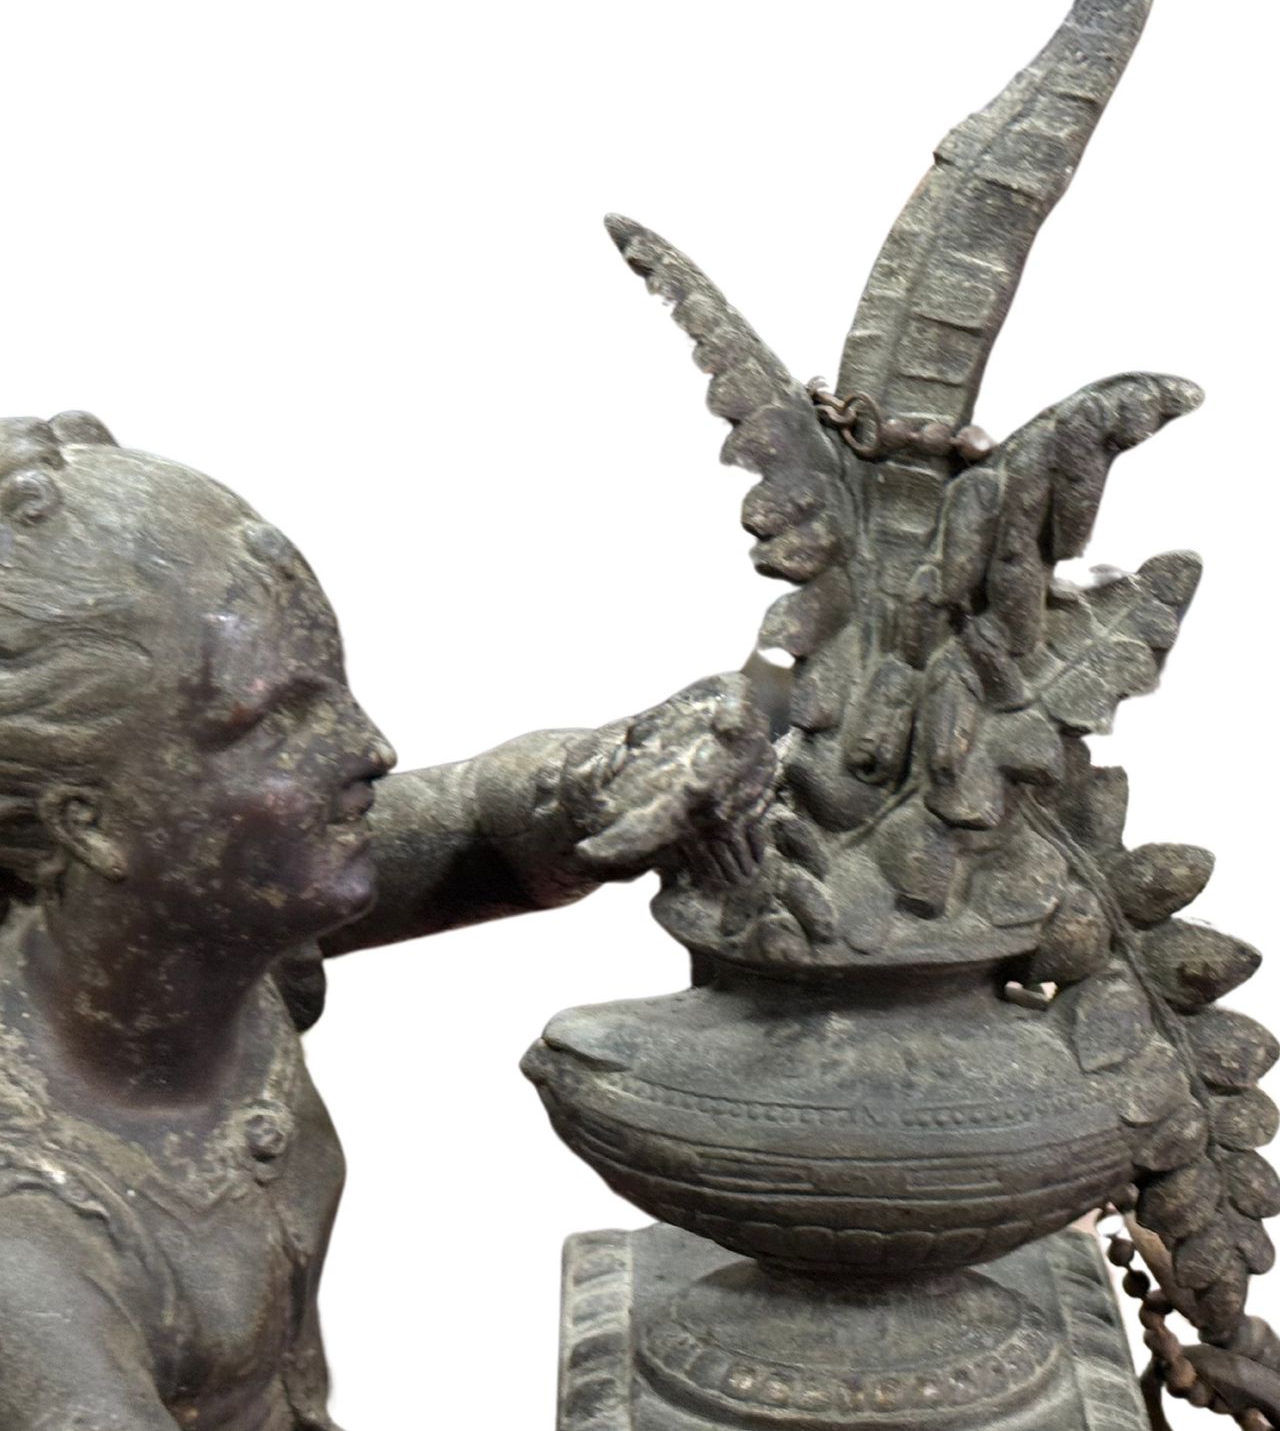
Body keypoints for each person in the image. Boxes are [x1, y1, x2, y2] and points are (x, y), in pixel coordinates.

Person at [0, 411, 775, 1430]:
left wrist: (604, 777)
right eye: (276, 721)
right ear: (90, 821)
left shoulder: (200, 926)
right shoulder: (30, 1251)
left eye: (334, 691)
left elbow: (479, 822)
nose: (370, 745)